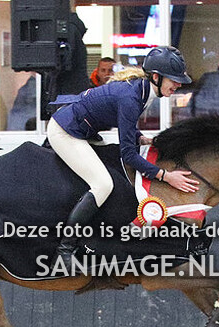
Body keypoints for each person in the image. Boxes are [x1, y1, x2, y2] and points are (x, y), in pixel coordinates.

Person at [47, 46, 199, 267]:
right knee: (103, 184)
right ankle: (64, 250)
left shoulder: (144, 90)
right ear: (156, 77)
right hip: (65, 131)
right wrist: (166, 176)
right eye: (174, 80)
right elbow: (127, 155)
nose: (178, 85)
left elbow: (121, 123)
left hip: (86, 129)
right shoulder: (132, 96)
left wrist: (138, 137)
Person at [54, 0, 92, 96]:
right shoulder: (72, 29)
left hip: (65, 96)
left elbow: (62, 65)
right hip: (72, 95)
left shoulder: (66, 31)